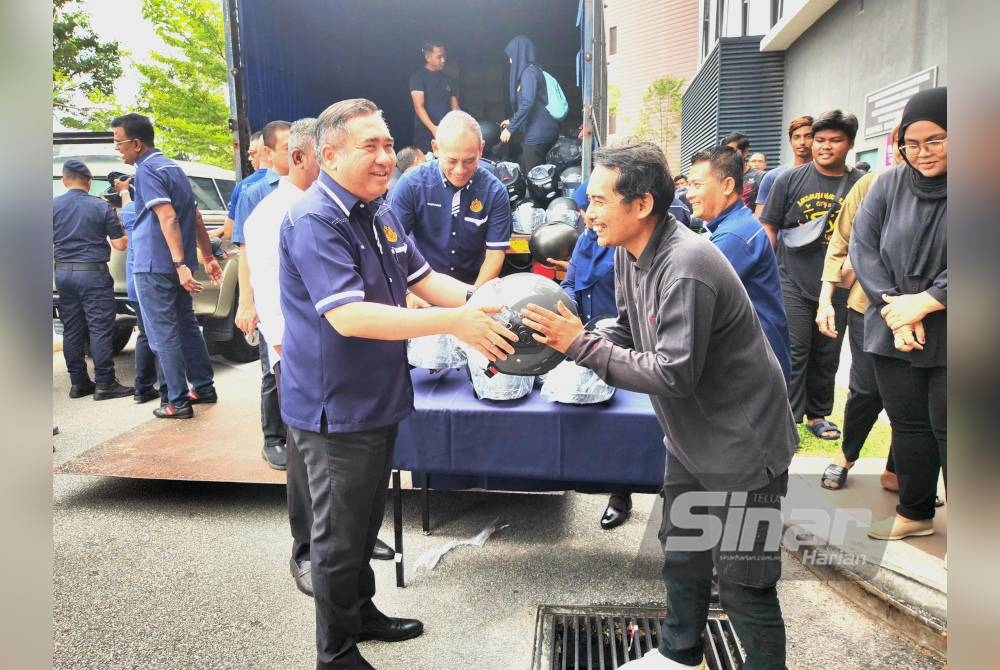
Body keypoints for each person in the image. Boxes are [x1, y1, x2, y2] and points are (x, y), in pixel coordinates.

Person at [521, 142, 796, 669]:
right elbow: (629, 326)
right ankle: (677, 653)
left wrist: (579, 345)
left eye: (600, 201)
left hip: (744, 449)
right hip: (691, 443)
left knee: (744, 586)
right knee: (683, 557)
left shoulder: (686, 264)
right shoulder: (631, 253)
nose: (588, 213)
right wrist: (578, 337)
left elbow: (672, 372)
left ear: (641, 204)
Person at [279, 98, 518, 669]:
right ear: (328, 153)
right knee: (338, 537)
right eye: (371, 145)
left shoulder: (378, 210)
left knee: (363, 523)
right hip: (334, 409)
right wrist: (455, 323)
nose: (386, 156)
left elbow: (427, 279)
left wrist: (496, 302)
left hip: (378, 398)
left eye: (389, 144)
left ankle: (361, 613)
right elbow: (350, 316)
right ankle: (334, 653)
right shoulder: (317, 219)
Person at [851, 87, 947, 540]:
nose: (922, 152)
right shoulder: (887, 183)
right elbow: (863, 247)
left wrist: (925, 303)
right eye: (912, 142)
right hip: (894, 325)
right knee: (908, 425)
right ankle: (915, 512)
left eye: (936, 140)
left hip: (954, 327)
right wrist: (896, 309)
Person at [759, 110, 863, 440]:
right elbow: (769, 227)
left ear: (849, 144)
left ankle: (818, 415)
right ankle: (788, 416)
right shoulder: (788, 180)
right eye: (820, 140)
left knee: (827, 352)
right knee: (794, 349)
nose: (824, 147)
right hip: (791, 278)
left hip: (840, 284)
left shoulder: (860, 184)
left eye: (835, 141)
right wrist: (768, 274)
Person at [111, 113, 222, 418]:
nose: (117, 149)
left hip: (153, 265)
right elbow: (196, 217)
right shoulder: (174, 168)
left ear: (136, 143)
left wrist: (179, 264)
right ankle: (203, 386)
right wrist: (207, 258)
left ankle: (177, 401)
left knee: (163, 334)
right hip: (175, 264)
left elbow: (168, 217)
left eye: (119, 143)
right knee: (186, 326)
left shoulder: (147, 170)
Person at [815, 126, 903, 492]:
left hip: (927, 311)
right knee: (866, 390)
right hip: (868, 306)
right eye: (905, 144)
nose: (913, 153)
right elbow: (840, 241)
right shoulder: (872, 185)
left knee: (914, 398)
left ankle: (900, 469)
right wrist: (825, 299)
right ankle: (846, 455)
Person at [687, 146, 791, 383]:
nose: (688, 194)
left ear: (727, 185)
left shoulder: (734, 236)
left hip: (756, 364)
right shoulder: (733, 226)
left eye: (697, 185)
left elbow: (695, 298)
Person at [389, 110, 512, 295]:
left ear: (481, 149)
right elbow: (392, 247)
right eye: (452, 160)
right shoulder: (411, 185)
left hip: (474, 285)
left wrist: (474, 298)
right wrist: (407, 293)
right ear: (436, 148)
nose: (460, 170)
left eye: (469, 160)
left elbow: (495, 254)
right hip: (421, 287)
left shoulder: (494, 192)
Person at [234, 120, 292, 466]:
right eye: (287, 149)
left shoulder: (313, 186)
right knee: (272, 369)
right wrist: (247, 302)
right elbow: (245, 250)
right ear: (268, 153)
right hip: (271, 292)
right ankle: (273, 437)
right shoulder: (253, 191)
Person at [53, 159, 133, 400]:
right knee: (99, 327)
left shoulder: (51, 206)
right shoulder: (100, 207)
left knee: (72, 328)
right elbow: (120, 245)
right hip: (93, 274)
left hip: (63, 274)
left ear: (64, 181)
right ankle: (105, 383)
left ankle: (78, 383)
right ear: (89, 183)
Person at [116, 177, 161, 404]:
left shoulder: (130, 211)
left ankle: (142, 387)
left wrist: (124, 190)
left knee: (145, 333)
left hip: (134, 283)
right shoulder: (153, 209)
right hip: (150, 280)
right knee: (160, 334)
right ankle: (163, 387)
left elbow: (125, 205)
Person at [500, 35, 560, 173]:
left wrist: (511, 128)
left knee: (534, 180)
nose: (509, 61)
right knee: (540, 176)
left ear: (519, 55)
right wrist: (511, 120)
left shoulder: (528, 73)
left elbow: (528, 102)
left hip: (537, 136)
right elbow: (533, 105)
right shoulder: (534, 71)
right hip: (544, 132)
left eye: (511, 56)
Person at [754, 115, 814, 218]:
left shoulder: (825, 175)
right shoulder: (773, 177)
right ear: (790, 141)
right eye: (796, 137)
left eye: (808, 136)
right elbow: (760, 220)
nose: (802, 142)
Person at [409, 40, 459, 153]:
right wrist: (434, 129)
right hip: (425, 134)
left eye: (444, 56)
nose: (443, 60)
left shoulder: (449, 80)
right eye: (439, 57)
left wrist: (461, 124)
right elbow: (419, 107)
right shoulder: (418, 77)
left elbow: (455, 108)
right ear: (428, 57)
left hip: (447, 133)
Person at [221, 131, 268, 240]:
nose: (249, 159)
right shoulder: (294, 182)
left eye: (252, 153)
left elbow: (230, 232)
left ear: (265, 151)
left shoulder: (244, 187)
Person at [721, 132, 764, 209]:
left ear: (745, 152)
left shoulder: (761, 177)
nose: (727, 155)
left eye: (732, 151)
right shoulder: (720, 177)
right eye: (725, 151)